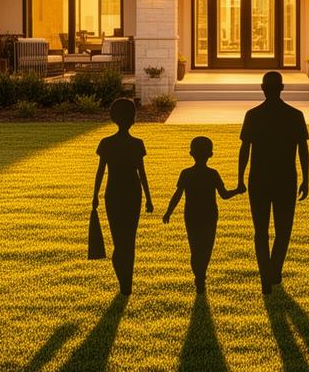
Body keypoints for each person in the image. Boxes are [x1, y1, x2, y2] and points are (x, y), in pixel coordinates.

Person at [238, 71, 309, 293]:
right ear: (282, 87)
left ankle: (266, 276)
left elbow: (244, 150)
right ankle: (274, 270)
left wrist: (240, 178)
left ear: (262, 88)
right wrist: (306, 179)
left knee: (260, 230)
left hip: (259, 178)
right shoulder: (295, 115)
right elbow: (303, 151)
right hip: (285, 178)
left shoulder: (253, 115)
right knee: (283, 229)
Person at [162, 135, 243, 293]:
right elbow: (224, 195)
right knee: (206, 247)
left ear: (191, 153)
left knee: (195, 248)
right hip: (209, 215)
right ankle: (201, 275)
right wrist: (237, 191)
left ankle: (199, 276)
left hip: (192, 215)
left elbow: (177, 194)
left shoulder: (186, 173)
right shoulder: (212, 174)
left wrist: (168, 212)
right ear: (210, 154)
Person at [92, 97, 153, 295]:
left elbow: (100, 172)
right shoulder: (137, 144)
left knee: (119, 240)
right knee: (129, 239)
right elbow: (141, 173)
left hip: (114, 193)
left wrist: (95, 195)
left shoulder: (107, 143)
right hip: (133, 193)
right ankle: (126, 282)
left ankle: (124, 282)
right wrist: (148, 198)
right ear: (133, 119)